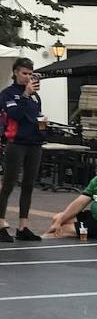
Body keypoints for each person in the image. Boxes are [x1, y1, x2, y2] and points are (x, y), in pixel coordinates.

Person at [1, 59, 47, 242]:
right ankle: (1, 223)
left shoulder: (35, 96)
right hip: (16, 143)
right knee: (9, 184)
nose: (28, 77)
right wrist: (25, 95)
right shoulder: (8, 94)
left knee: (28, 185)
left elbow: (35, 116)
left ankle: (23, 226)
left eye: (30, 74)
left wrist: (44, 124)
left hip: (34, 143)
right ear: (15, 73)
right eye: (24, 73)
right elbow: (15, 115)